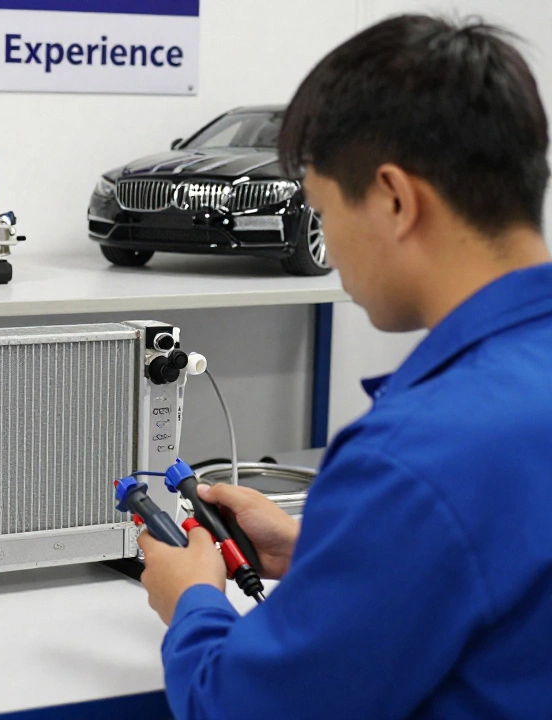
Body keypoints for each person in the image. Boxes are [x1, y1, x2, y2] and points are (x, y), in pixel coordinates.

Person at [136, 15, 552, 719]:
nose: (326, 242)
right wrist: (327, 551)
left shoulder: (415, 455)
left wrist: (191, 600)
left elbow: (240, 707)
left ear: (393, 199)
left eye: (323, 211)